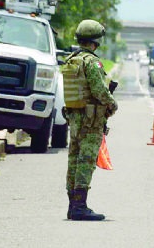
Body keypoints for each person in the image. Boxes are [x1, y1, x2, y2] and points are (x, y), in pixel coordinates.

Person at [61, 19, 118, 221]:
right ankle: (79, 206)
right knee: (86, 161)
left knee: (74, 160)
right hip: (90, 120)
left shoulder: (71, 60)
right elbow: (99, 90)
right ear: (96, 41)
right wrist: (112, 104)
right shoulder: (92, 62)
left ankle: (72, 204)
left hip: (74, 117)